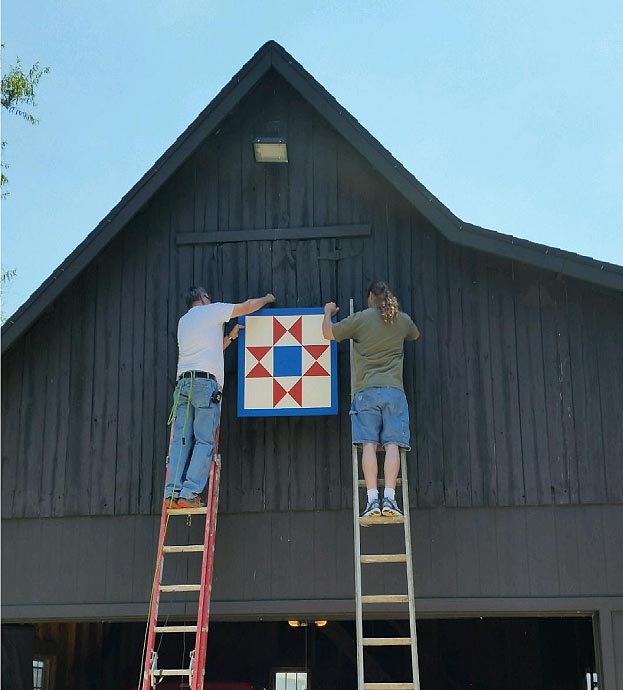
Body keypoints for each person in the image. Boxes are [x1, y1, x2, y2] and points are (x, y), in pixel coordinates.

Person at [164, 286, 275, 509]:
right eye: (209, 297)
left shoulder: (184, 322)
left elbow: (209, 350)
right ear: (202, 299)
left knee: (182, 440)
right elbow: (247, 306)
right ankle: (190, 492)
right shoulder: (212, 311)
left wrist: (230, 338)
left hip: (183, 384)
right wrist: (267, 298)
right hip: (205, 384)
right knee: (204, 440)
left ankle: (172, 491)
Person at [322, 281, 420, 518]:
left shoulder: (361, 319)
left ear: (369, 297)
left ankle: (372, 501)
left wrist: (328, 312)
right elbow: (415, 335)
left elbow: (327, 333)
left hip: (365, 392)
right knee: (392, 445)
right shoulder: (401, 320)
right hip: (394, 391)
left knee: (368, 444)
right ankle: (390, 498)